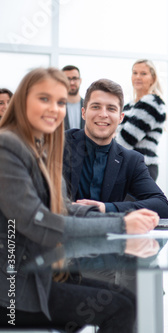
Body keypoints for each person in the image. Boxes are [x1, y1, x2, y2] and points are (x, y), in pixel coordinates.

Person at [0, 67, 159, 331]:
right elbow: (37, 221)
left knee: (125, 300)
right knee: (120, 308)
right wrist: (120, 225)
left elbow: (63, 209)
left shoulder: (38, 148)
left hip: (43, 273)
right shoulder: (8, 146)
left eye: (61, 102)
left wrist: (124, 218)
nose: (54, 108)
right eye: (44, 99)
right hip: (14, 290)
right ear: (23, 100)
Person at [63, 78, 168, 218]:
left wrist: (106, 208)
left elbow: (162, 206)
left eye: (111, 108)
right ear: (83, 113)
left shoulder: (131, 160)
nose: (103, 114)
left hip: (110, 236)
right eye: (96, 106)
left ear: (121, 118)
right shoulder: (60, 144)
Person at [115, 59, 166, 181]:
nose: (138, 77)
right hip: (128, 166)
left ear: (153, 78)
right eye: (135, 73)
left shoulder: (152, 103)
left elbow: (125, 139)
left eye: (143, 73)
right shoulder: (128, 106)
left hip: (142, 167)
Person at [62, 65, 85, 130]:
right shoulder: (57, 107)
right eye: (68, 79)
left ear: (80, 80)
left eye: (74, 78)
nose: (72, 82)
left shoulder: (88, 106)